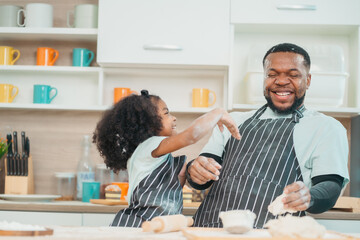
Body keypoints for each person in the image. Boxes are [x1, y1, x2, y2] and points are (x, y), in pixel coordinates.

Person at [186, 43, 350, 228]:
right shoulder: (232, 120)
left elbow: (330, 185)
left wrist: (310, 197)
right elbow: (203, 172)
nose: (281, 81)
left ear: (308, 80)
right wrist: (195, 170)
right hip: (210, 230)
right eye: (272, 75)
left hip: (275, 234)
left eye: (293, 75)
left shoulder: (326, 127)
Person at [93, 90, 241, 227]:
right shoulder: (148, 146)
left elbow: (167, 193)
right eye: (167, 114)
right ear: (148, 123)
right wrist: (217, 113)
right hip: (138, 225)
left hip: (154, 227)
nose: (174, 118)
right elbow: (191, 136)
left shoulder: (157, 156)